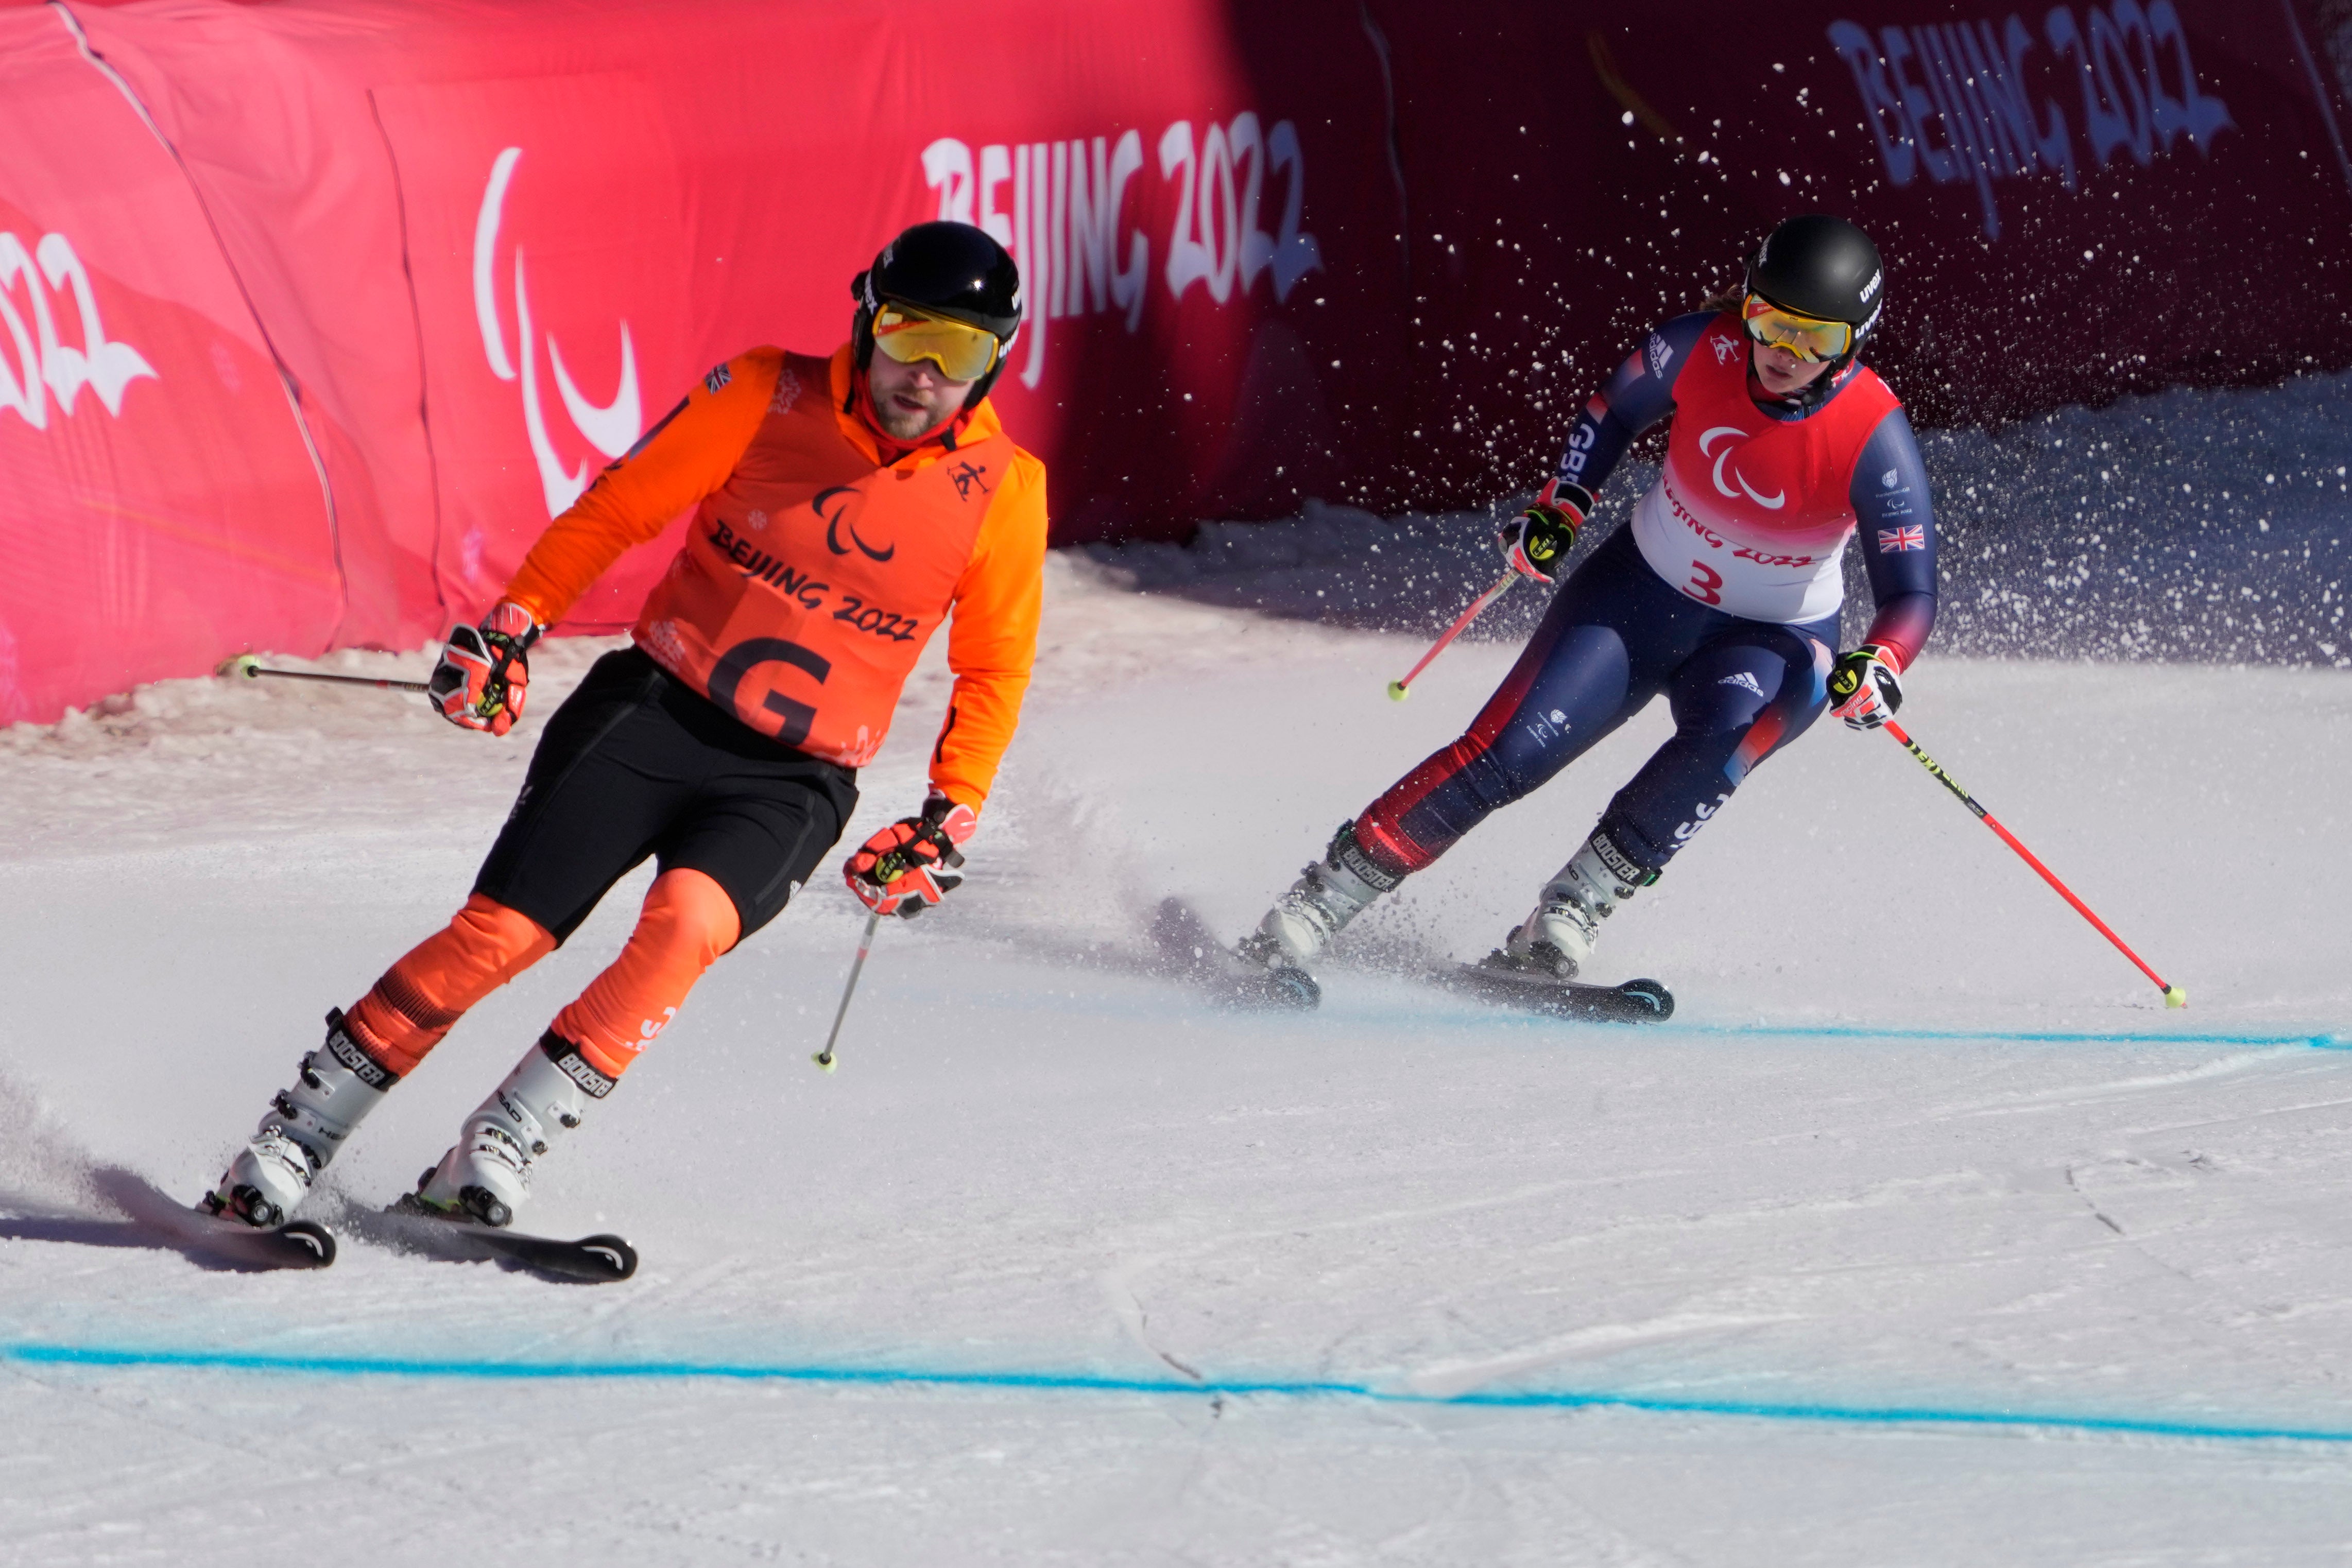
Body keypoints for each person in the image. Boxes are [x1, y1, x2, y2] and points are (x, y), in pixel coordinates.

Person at [208, 220, 1049, 1230]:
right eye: (910, 332)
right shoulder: (764, 391)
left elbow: (993, 667)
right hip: (652, 713)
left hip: (795, 780)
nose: (925, 371)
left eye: (961, 350)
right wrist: (515, 627)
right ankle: (294, 1138)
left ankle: (496, 1145)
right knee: (501, 937)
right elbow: (616, 512)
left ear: (994, 362)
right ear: (867, 320)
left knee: (686, 926)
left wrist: (948, 814)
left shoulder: (1005, 490)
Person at [1240, 214, 1936, 984]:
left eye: (1817, 341)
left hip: (1774, 638)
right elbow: (1612, 412)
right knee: (1508, 755)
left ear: (1855, 343)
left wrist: (1880, 661)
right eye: (1770, 321)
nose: (1783, 354)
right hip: (1639, 598)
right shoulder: (1700, 346)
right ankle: (1317, 902)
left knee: (1732, 738)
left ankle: (1570, 910)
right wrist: (1562, 503)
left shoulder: (1876, 436)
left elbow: (1910, 593)